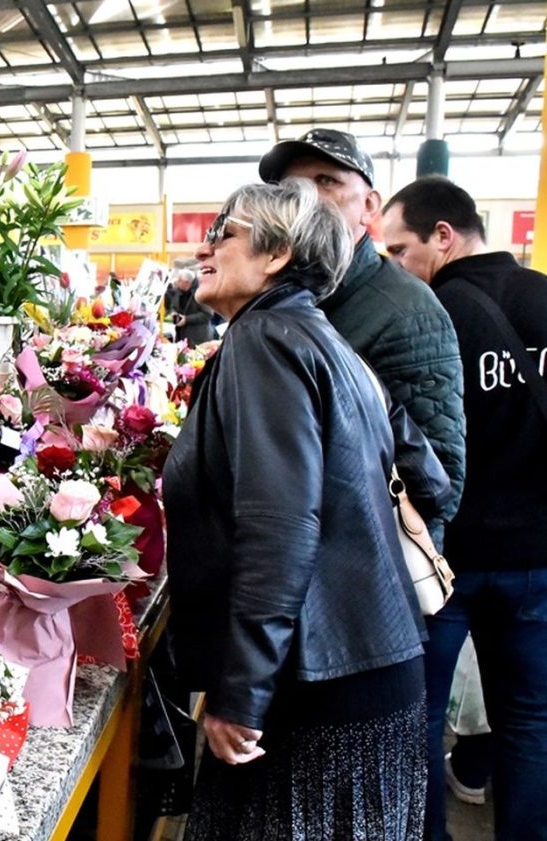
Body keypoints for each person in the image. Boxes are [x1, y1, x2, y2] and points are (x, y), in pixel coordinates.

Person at [164, 178, 452, 839]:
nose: (206, 248)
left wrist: (241, 692)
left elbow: (280, 523)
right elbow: (427, 476)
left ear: (276, 254)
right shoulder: (332, 345)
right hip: (374, 672)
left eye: (225, 233)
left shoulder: (263, 338)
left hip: (312, 696)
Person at [382, 175, 547, 841]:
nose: (396, 267)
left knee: (417, 715)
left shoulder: (429, 315)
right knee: (531, 719)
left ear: (442, 236)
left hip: (445, 561)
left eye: (399, 251)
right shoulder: (545, 297)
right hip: (538, 556)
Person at [260, 129, 465, 548]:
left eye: (326, 182)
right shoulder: (287, 299)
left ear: (370, 205)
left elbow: (438, 479)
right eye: (291, 188)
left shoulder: (407, 311)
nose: (306, 198)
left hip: (368, 570)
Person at [163, 266, 217, 344]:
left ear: (187, 283)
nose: (176, 282)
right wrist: (173, 312)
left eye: (179, 280)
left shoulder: (202, 291)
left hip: (198, 337)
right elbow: (172, 305)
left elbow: (208, 314)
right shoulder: (178, 290)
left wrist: (186, 319)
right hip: (181, 336)